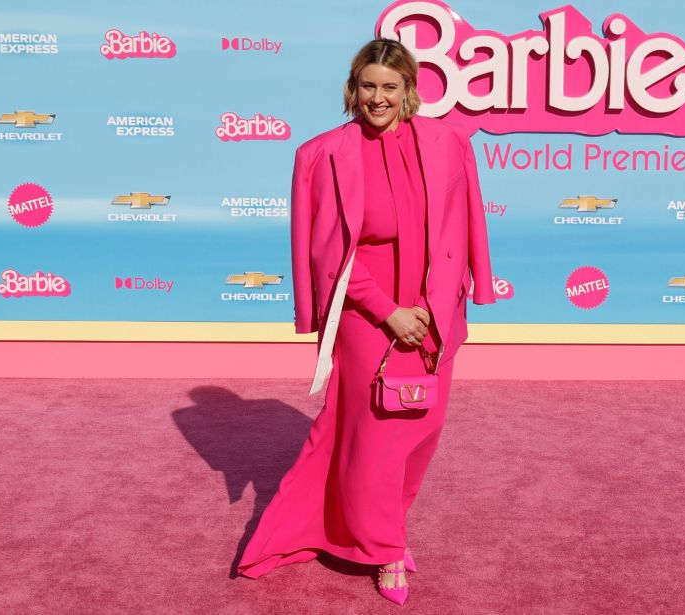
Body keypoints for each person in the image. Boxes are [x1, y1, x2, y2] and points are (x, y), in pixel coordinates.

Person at [236, 38, 496, 606]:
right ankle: (385, 548)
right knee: (375, 438)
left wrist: (452, 295)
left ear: (409, 90)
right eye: (367, 86)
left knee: (421, 429)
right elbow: (327, 254)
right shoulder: (323, 154)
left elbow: (465, 222)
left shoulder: (450, 143)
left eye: (389, 87)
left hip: (434, 309)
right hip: (365, 311)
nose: (378, 98)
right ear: (352, 88)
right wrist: (388, 311)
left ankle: (378, 524)